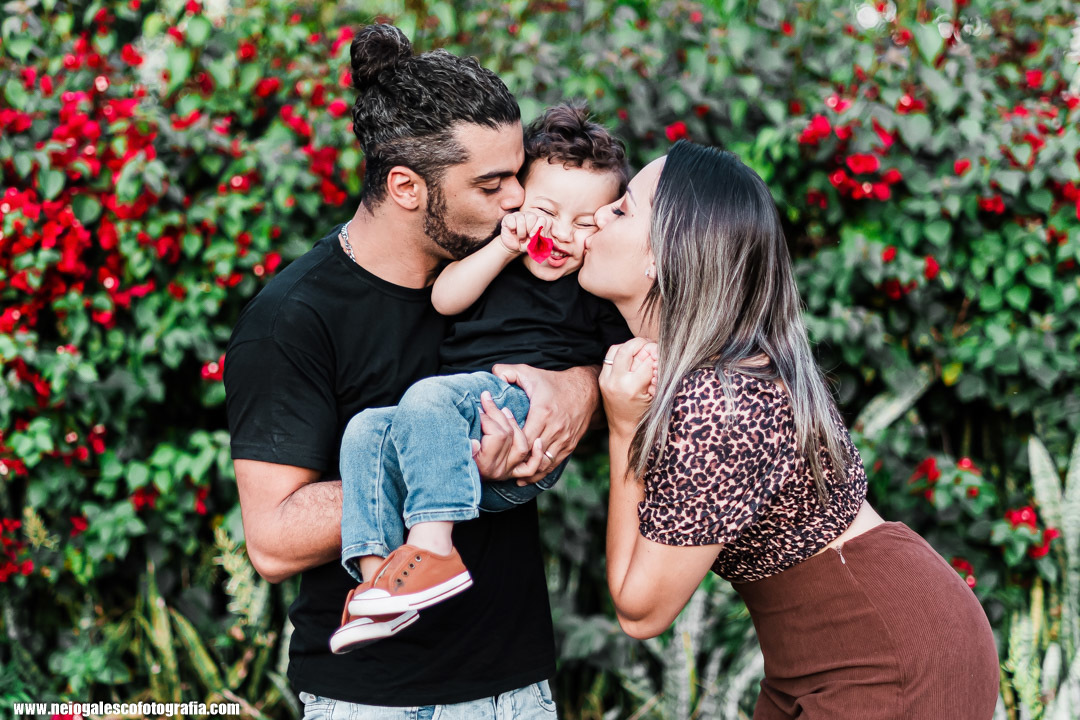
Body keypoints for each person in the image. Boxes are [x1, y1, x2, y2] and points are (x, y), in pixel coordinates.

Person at [224, 23, 600, 718]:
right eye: (491, 184)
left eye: (517, 174)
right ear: (405, 186)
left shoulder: (516, 263)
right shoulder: (292, 319)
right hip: (375, 700)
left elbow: (608, 359)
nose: (517, 198)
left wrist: (578, 389)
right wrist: (452, 464)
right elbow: (273, 541)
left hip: (517, 688)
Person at [579, 140, 1000, 719]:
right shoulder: (725, 364)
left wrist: (623, 430)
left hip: (888, 658)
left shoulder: (720, 402)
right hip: (829, 653)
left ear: (665, 255)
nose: (597, 216)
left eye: (623, 208)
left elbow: (640, 611)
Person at [330, 103, 630, 653]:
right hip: (456, 424)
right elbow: (445, 299)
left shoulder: (593, 285)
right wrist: (504, 247)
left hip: (521, 424)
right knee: (366, 429)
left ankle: (434, 550)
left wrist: (583, 385)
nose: (562, 233)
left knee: (426, 397)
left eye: (586, 223)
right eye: (546, 211)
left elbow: (627, 362)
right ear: (515, 202)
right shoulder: (498, 258)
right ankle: (381, 584)